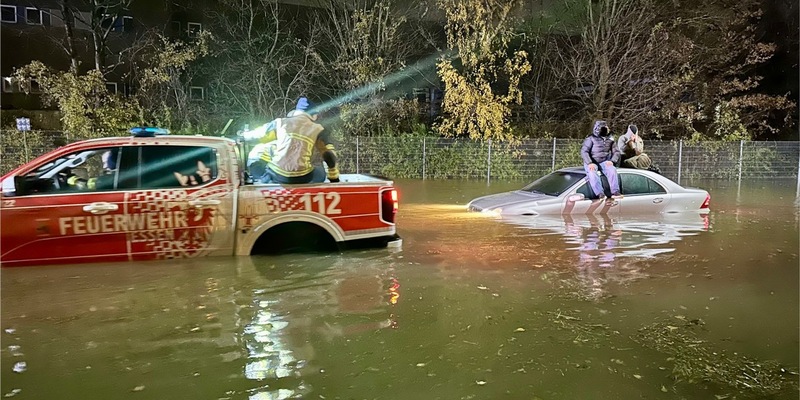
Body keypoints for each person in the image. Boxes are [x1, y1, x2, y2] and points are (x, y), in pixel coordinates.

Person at [241, 97, 339, 184]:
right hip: (303, 177)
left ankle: (265, 179)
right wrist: (334, 178)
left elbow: (258, 135)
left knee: (257, 158)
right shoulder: (318, 129)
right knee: (320, 173)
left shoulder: (281, 123)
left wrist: (243, 135)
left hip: (277, 174)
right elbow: (330, 155)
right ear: (314, 115)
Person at [580, 120, 622, 200]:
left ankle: (615, 192)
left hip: (604, 161)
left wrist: (612, 161)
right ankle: (600, 194)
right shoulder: (591, 139)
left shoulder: (610, 139)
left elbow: (616, 151)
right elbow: (584, 151)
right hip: (592, 162)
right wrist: (589, 163)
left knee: (612, 170)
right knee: (592, 173)